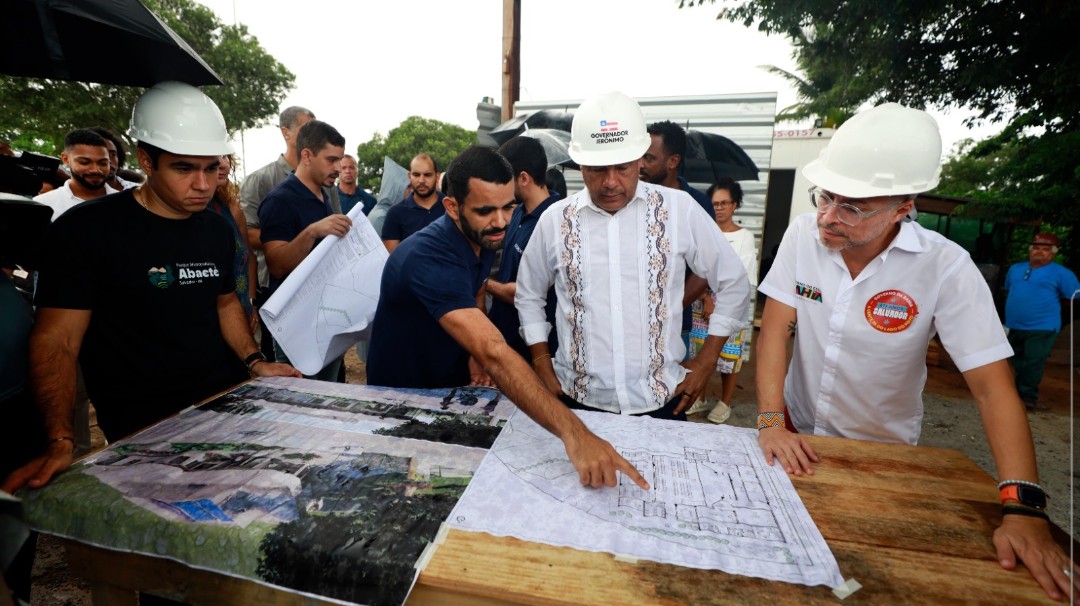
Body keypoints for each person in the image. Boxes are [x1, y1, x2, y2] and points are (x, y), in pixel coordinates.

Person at [754, 103, 1075, 601]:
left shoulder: (945, 268)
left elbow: (992, 390)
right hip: (794, 435)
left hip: (880, 455)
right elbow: (775, 329)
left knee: (866, 576)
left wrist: (1024, 509)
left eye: (853, 207)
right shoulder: (803, 235)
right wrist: (771, 420)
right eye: (826, 197)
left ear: (903, 207)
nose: (829, 218)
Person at [2, 80, 301, 495]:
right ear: (146, 160)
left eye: (211, 167)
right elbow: (57, 339)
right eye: (184, 168)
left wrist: (254, 361)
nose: (202, 184)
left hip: (224, 400)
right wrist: (59, 440)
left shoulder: (215, 228)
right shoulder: (85, 230)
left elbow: (224, 303)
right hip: (143, 421)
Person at [367, 144, 648, 490]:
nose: (500, 221)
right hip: (400, 399)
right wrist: (575, 434)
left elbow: (477, 289)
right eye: (486, 210)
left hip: (447, 387)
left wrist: (470, 354)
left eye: (508, 206)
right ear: (452, 208)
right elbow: (494, 351)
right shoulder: (428, 256)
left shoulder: (480, 235)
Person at [517, 91, 750, 420]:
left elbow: (734, 282)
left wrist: (707, 360)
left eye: (623, 167)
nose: (611, 182)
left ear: (641, 158)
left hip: (663, 400)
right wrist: (541, 363)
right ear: (580, 164)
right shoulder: (555, 221)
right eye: (597, 169)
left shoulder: (678, 210)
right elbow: (528, 295)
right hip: (576, 401)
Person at [258, 120, 351, 381]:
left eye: (340, 160)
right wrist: (311, 232)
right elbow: (276, 265)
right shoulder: (280, 200)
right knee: (300, 407)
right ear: (307, 155)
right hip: (295, 326)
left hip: (327, 320)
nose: (338, 168)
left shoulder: (325, 195)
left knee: (326, 399)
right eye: (331, 159)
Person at [639, 120, 719, 356]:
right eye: (639, 157)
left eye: (649, 159)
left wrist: (669, 309)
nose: (640, 165)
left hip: (674, 327)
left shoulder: (696, 204)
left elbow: (706, 268)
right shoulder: (632, 198)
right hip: (630, 327)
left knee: (669, 389)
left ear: (673, 161)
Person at [687, 177, 758, 424]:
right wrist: (706, 297)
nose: (719, 208)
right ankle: (700, 397)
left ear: (735, 205)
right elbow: (696, 269)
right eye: (715, 203)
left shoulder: (744, 237)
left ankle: (725, 402)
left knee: (729, 356)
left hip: (731, 305)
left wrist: (717, 301)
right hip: (701, 302)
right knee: (700, 351)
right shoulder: (704, 233)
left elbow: (745, 278)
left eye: (724, 203)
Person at [487, 136, 560, 360]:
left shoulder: (555, 222)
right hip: (506, 337)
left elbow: (523, 293)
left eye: (505, 178)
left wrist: (484, 282)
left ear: (524, 178)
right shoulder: (518, 211)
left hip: (533, 349)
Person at [1003, 232, 1079, 409]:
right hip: (1014, 325)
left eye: (1045, 249)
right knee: (1014, 359)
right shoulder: (1016, 269)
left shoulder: (1062, 273)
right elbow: (1009, 290)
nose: (1040, 252)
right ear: (1031, 250)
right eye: (1036, 248)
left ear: (1053, 253)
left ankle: (1028, 397)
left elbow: (1074, 296)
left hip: (1042, 326)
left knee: (1033, 361)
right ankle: (1016, 393)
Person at [206, 154, 257, 329]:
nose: (221, 164)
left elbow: (248, 257)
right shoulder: (180, 211)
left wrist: (250, 303)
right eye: (213, 156)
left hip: (240, 315)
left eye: (225, 156)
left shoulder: (233, 209)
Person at [33, 128, 115, 220]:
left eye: (103, 163)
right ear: (66, 159)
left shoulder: (127, 202)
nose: (95, 170)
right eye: (85, 162)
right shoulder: (43, 204)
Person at [381, 153, 445, 252]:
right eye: (416, 175)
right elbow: (393, 260)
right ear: (409, 176)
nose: (422, 180)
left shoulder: (451, 207)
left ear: (437, 177)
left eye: (427, 175)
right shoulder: (395, 214)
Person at [89, 126, 139, 191]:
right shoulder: (73, 197)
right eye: (99, 154)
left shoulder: (141, 192)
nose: (108, 160)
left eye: (112, 154)